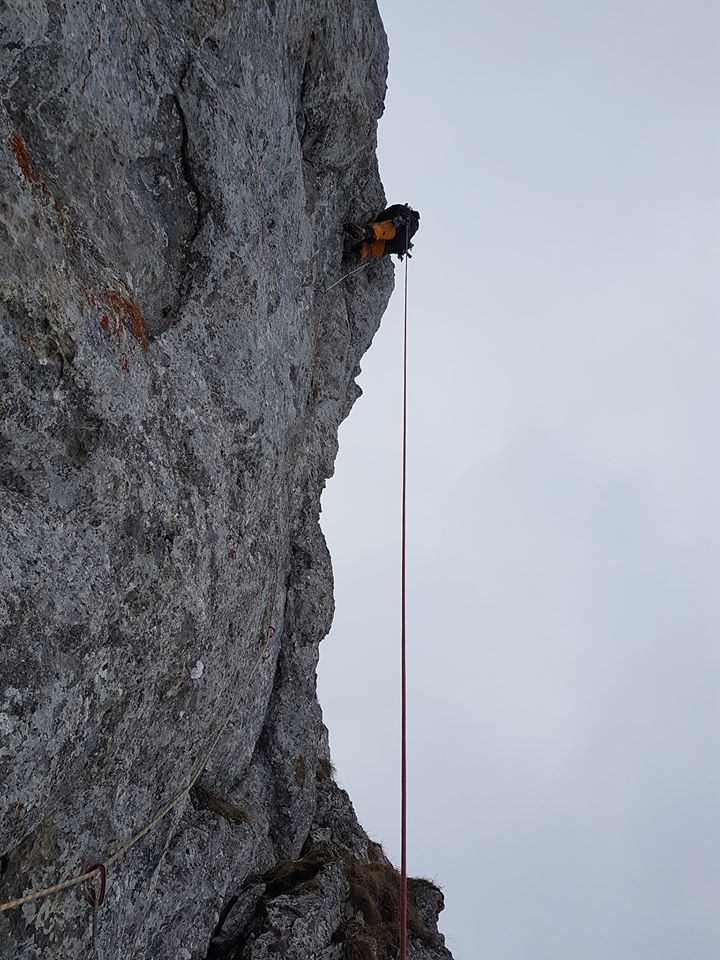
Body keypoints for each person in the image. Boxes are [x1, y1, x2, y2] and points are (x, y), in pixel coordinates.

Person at [344, 203, 420, 260]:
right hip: (401, 245)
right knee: (370, 249)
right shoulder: (414, 227)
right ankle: (356, 253)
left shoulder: (403, 210)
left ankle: (365, 232)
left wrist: (377, 221)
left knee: (381, 229)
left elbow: (387, 212)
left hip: (397, 225)